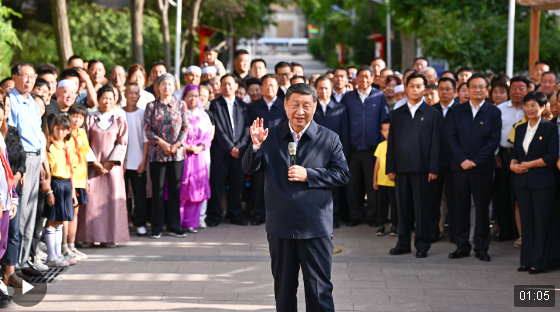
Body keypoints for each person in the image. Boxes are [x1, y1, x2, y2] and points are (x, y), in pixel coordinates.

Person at [242, 83, 350, 312]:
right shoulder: (269, 137)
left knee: (319, 290)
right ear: (285, 105)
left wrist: (309, 175)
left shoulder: (329, 138)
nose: (300, 111)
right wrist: (254, 146)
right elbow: (249, 168)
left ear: (315, 106)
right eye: (295, 105)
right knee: (283, 291)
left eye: (306, 105)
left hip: (315, 226)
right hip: (280, 226)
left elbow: (342, 175)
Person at [386, 72, 442, 258]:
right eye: (412, 86)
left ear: (424, 89)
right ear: (406, 87)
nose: (415, 89)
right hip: (401, 168)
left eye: (419, 86)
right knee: (402, 209)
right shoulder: (397, 114)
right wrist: (390, 167)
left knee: (421, 209)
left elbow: (436, 142)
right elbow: (391, 142)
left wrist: (434, 168)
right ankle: (402, 243)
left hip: (423, 169)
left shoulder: (433, 113)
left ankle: (422, 245)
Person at [448, 74, 502, 262]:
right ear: (467, 90)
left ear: (487, 90)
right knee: (460, 207)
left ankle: (481, 247)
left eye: (481, 87)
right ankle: (462, 246)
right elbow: (451, 137)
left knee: (481, 208)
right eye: (474, 87)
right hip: (460, 167)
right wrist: (463, 159)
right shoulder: (457, 110)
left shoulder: (493, 112)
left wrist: (476, 161)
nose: (478, 90)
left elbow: (493, 140)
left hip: (483, 168)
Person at [511, 91, 558, 274]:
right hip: (522, 181)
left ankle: (539, 263)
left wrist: (529, 164)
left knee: (542, 223)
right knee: (527, 223)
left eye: (534, 105)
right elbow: (515, 154)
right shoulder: (520, 128)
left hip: (542, 183)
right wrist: (513, 166)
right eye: (526, 105)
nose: (529, 109)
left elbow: (551, 156)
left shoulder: (550, 128)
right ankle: (526, 261)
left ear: (543, 107)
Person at [77, 86, 129, 246]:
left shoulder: (119, 118)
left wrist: (110, 162)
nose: (107, 101)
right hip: (92, 166)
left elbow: (123, 142)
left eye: (111, 98)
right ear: (98, 99)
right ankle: (87, 236)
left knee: (111, 200)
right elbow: (83, 140)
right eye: (104, 98)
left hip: (112, 167)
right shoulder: (89, 118)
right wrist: (95, 163)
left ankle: (109, 237)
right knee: (91, 201)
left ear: (115, 100)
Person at [8, 63, 44, 273]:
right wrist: (18, 169)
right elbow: (12, 138)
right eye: (25, 76)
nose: (29, 80)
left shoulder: (31, 100)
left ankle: (24, 260)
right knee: (20, 215)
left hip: (36, 159)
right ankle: (14, 266)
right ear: (15, 77)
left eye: (33, 76)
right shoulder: (11, 100)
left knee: (31, 213)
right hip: (22, 161)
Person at [341, 65, 388, 227]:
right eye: (361, 76)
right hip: (352, 150)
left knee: (372, 184)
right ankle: (354, 214)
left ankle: (372, 216)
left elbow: (384, 122)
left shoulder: (379, 96)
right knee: (352, 185)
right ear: (356, 79)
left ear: (372, 78)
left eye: (367, 76)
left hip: (372, 150)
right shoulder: (347, 97)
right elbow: (344, 124)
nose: (364, 79)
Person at [144, 74, 188, 239]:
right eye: (163, 84)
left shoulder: (181, 105)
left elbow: (185, 127)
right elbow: (147, 129)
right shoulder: (151, 106)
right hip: (157, 154)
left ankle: (175, 226)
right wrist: (162, 144)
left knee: (175, 191)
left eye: (169, 84)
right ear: (158, 87)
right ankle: (156, 228)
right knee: (158, 191)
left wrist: (176, 146)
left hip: (177, 155)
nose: (166, 87)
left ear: (174, 86)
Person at [208, 74, 251, 227]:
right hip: (221, 152)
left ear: (236, 86)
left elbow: (247, 128)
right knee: (217, 184)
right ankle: (215, 216)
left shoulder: (243, 106)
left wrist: (239, 147)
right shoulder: (215, 104)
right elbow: (217, 128)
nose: (227, 87)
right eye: (224, 84)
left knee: (237, 184)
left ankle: (236, 215)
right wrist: (230, 147)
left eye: (229, 84)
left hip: (239, 153)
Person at [494, 77, 528, 245]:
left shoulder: (531, 109)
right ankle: (505, 229)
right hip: (504, 154)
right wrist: (496, 155)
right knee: (503, 193)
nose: (517, 92)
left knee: (518, 193)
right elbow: (493, 134)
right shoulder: (499, 109)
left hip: (524, 157)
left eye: (521, 88)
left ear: (527, 90)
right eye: (514, 88)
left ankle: (519, 231)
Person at [248, 74, 286, 226]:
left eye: (273, 85)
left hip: (279, 152)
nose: (270, 88)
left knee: (279, 184)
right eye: (267, 85)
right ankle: (259, 214)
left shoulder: (284, 105)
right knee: (259, 185)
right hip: (260, 151)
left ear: (277, 88)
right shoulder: (254, 106)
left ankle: (278, 215)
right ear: (261, 88)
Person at [313, 76, 350, 229]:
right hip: (314, 155)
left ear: (332, 90)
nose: (323, 91)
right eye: (320, 88)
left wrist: (345, 152)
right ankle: (316, 218)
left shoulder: (340, 108)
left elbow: (345, 132)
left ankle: (332, 218)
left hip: (334, 154)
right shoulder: (311, 108)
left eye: (326, 88)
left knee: (334, 188)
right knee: (315, 186)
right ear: (315, 89)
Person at [44, 115, 78, 267]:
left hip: (66, 184)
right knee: (52, 220)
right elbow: (49, 171)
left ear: (68, 131)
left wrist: (73, 191)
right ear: (53, 128)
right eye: (58, 128)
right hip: (55, 183)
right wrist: (49, 191)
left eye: (64, 129)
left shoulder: (67, 146)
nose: (60, 132)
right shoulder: (50, 146)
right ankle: (51, 256)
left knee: (60, 222)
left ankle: (58, 254)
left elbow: (71, 170)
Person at [179, 85, 212, 232]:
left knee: (196, 188)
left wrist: (200, 147)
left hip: (199, 157)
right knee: (182, 188)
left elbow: (208, 135)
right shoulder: (179, 113)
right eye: (190, 95)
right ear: (184, 97)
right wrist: (186, 145)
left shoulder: (204, 115)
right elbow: (175, 133)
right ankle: (178, 222)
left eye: (196, 96)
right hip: (183, 155)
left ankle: (191, 223)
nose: (193, 99)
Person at [432, 77, 458, 243]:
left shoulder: (461, 110)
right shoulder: (431, 110)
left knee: (455, 200)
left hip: (455, 163)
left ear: (455, 92)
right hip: (434, 163)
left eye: (448, 89)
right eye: (441, 89)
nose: (444, 92)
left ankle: (455, 233)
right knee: (434, 200)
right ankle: (434, 232)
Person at [123, 83, 149, 237]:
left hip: (138, 160)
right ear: (124, 95)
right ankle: (123, 223)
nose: (133, 96)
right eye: (130, 93)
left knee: (140, 195)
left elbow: (146, 140)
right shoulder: (119, 113)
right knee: (122, 195)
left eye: (136, 93)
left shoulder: (143, 113)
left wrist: (144, 160)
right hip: (122, 163)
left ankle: (140, 223)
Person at [0, 102, 19, 307]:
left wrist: (13, 197)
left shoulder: (1, 139)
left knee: (2, 245)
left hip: (4, 202)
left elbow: (7, 172)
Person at [65, 104, 89, 261]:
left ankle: (72, 245)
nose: (76, 119)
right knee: (66, 213)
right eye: (74, 116)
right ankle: (64, 246)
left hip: (80, 179)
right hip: (68, 178)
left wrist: (86, 180)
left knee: (75, 211)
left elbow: (85, 156)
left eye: (80, 117)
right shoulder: (64, 132)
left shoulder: (82, 133)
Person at [373, 118, 397, 236]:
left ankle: (394, 225)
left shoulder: (397, 145)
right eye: (385, 130)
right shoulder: (381, 145)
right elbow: (377, 164)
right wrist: (374, 179)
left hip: (392, 182)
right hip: (381, 181)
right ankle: (381, 225)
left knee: (394, 204)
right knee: (381, 204)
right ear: (382, 132)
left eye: (390, 130)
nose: (387, 132)